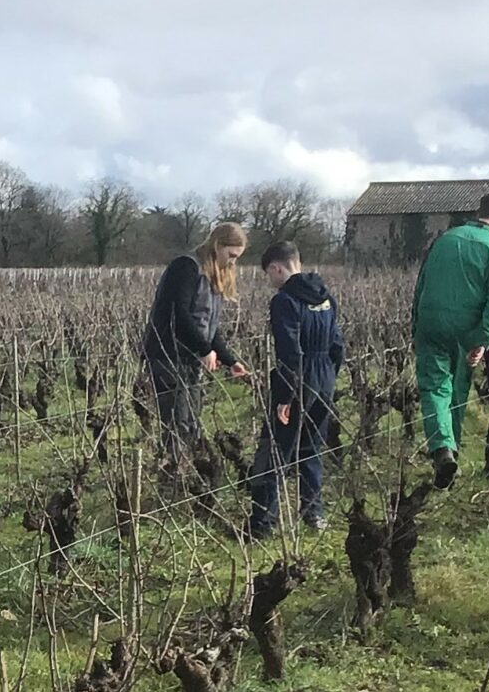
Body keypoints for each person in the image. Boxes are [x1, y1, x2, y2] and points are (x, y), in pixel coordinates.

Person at [412, 194, 489, 488]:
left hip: (431, 321)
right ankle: (449, 451)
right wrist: (484, 339)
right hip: (467, 327)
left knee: (433, 388)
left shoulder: (442, 240)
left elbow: (421, 285)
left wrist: (416, 324)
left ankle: (443, 449)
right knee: (457, 392)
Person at [248, 242, 343, 538]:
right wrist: (328, 378)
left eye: (269, 274)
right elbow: (338, 344)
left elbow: (290, 352)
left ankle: (263, 523)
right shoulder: (326, 297)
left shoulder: (284, 301)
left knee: (274, 449)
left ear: (278, 268)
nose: (271, 281)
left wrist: (286, 396)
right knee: (311, 448)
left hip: (296, 379)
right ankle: (314, 513)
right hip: (324, 377)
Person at [142, 223, 249, 464]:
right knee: (177, 424)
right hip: (168, 356)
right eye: (231, 255)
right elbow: (177, 313)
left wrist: (230, 361)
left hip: (189, 358)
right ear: (217, 245)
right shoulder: (186, 267)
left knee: (191, 420)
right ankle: (174, 478)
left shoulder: (211, 274)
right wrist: (204, 349)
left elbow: (208, 326)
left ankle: (191, 474)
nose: (232, 263)